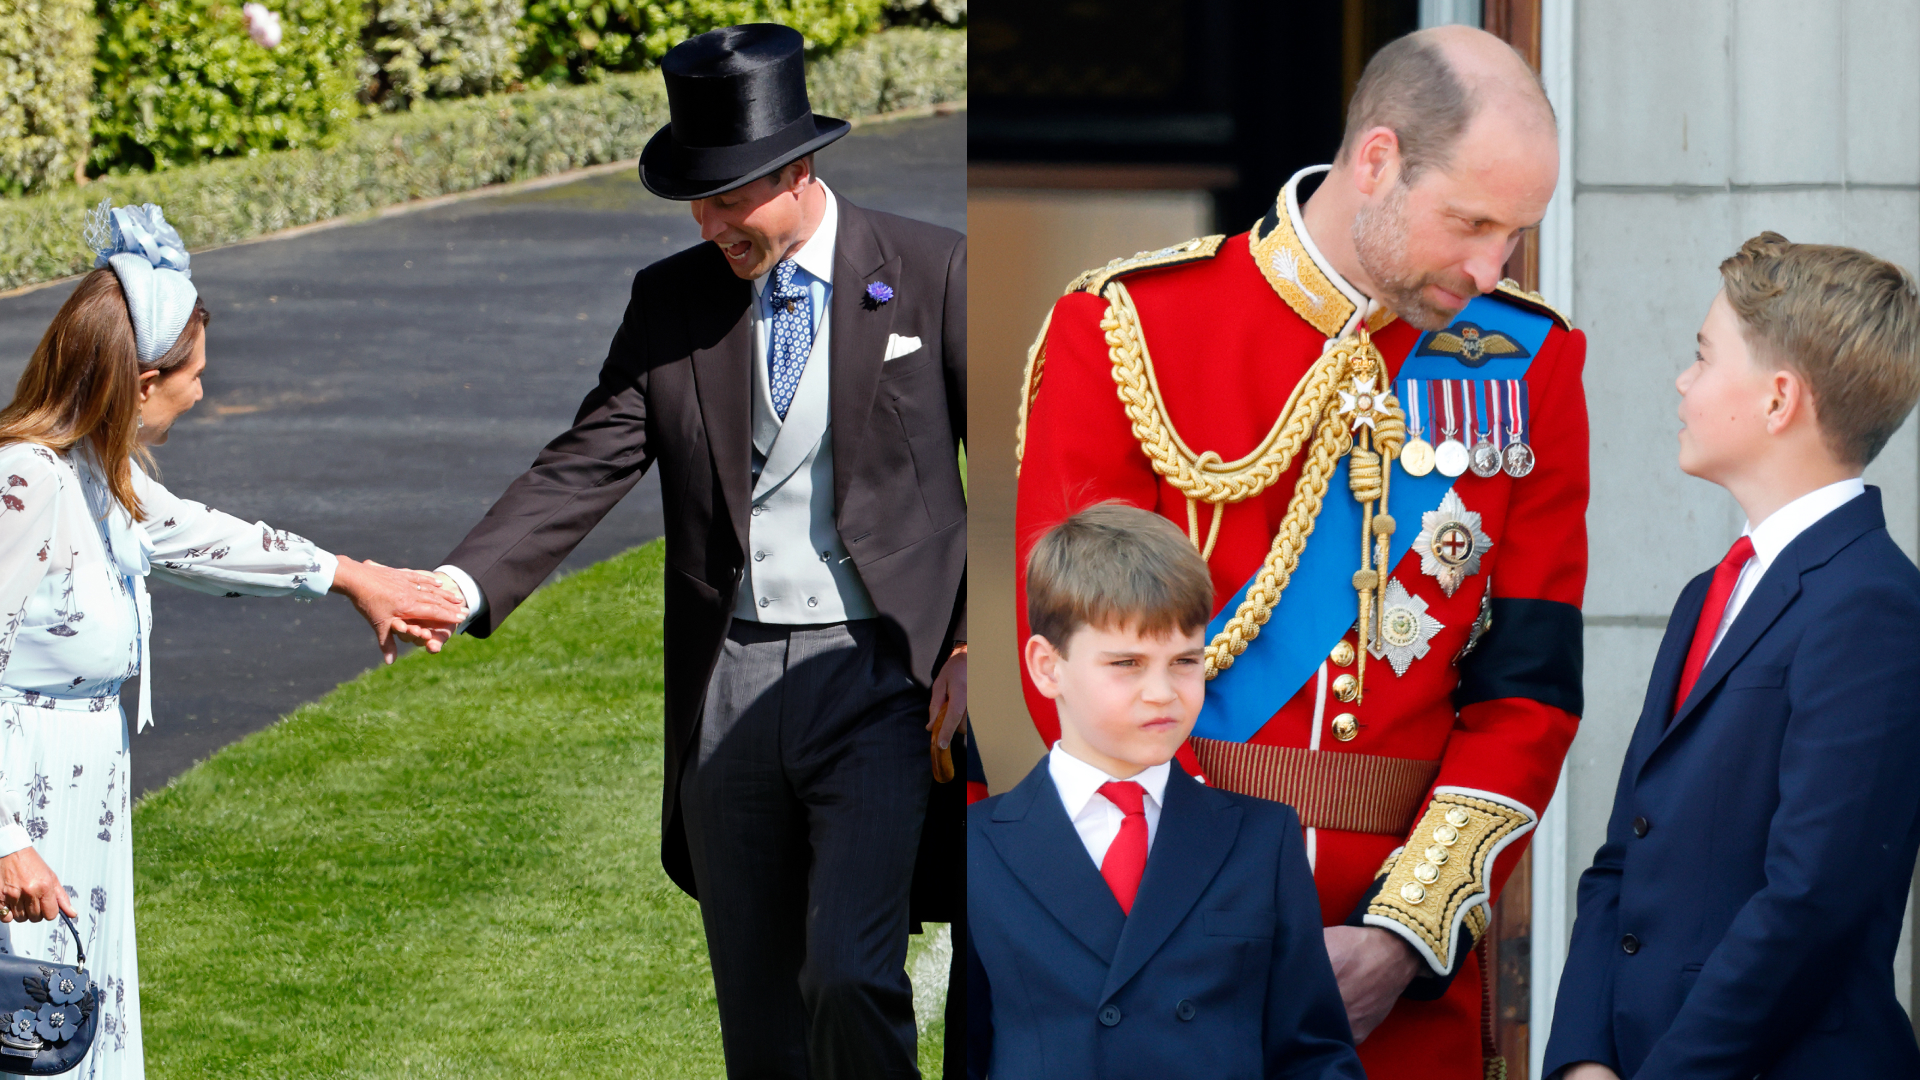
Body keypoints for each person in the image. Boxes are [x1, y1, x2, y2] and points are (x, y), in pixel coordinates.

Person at [1012, 25, 1587, 1079]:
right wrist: (1228, 925)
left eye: (1514, 234)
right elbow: (1069, 658)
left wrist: (1404, 933)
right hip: (1165, 945)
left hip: (1399, 988)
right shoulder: (1124, 329)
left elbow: (1531, 692)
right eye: (1469, 221)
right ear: (1376, 161)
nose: (1489, 266)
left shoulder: (1529, 364)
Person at [423, 23, 967, 1078]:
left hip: (882, 681)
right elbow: (585, 461)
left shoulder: (935, 271)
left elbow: (1007, 468)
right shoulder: (671, 300)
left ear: (799, 167)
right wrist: (460, 583)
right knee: (761, 1015)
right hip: (727, 686)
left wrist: (977, 643)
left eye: (729, 197)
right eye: (697, 199)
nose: (709, 221)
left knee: (852, 970)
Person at [0, 202, 465, 1079]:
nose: (203, 391)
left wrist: (349, 576)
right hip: (24, 794)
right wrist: (3, 837)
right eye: (193, 374)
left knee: (69, 1027)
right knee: (25, 1025)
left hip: (80, 785)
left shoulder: (101, 469)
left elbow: (195, 537)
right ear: (141, 381)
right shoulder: (28, 479)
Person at [1543, 236, 1920, 1079]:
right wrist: (1583, 1060)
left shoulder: (1875, 605)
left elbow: (1812, 902)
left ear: (1779, 398)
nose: (1684, 380)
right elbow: (1621, 860)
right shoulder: (1708, 594)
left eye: (1704, 355)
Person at [968, 504, 1363, 1079]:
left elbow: (1312, 1055)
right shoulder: (982, 846)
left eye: (1184, 661)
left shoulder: (1262, 838)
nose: (1162, 692)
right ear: (1047, 667)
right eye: (1127, 663)